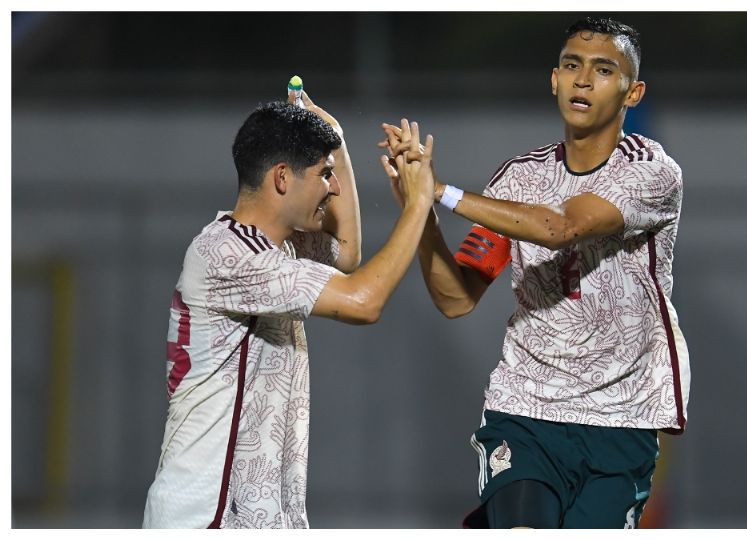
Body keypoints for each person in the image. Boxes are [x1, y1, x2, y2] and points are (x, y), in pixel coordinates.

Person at [381, 17, 690, 528]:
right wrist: (422, 214)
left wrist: (441, 190)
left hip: (620, 417)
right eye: (572, 66)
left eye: (603, 69)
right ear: (554, 79)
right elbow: (456, 298)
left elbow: (562, 227)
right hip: (525, 410)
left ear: (632, 92)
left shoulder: (652, 172)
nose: (583, 81)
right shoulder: (517, 179)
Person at [143, 89, 436, 528]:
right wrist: (419, 203)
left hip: (257, 516)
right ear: (282, 178)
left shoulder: (277, 247)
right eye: (325, 175)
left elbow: (348, 253)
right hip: (208, 516)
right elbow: (363, 300)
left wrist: (334, 140)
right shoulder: (228, 254)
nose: (333, 189)